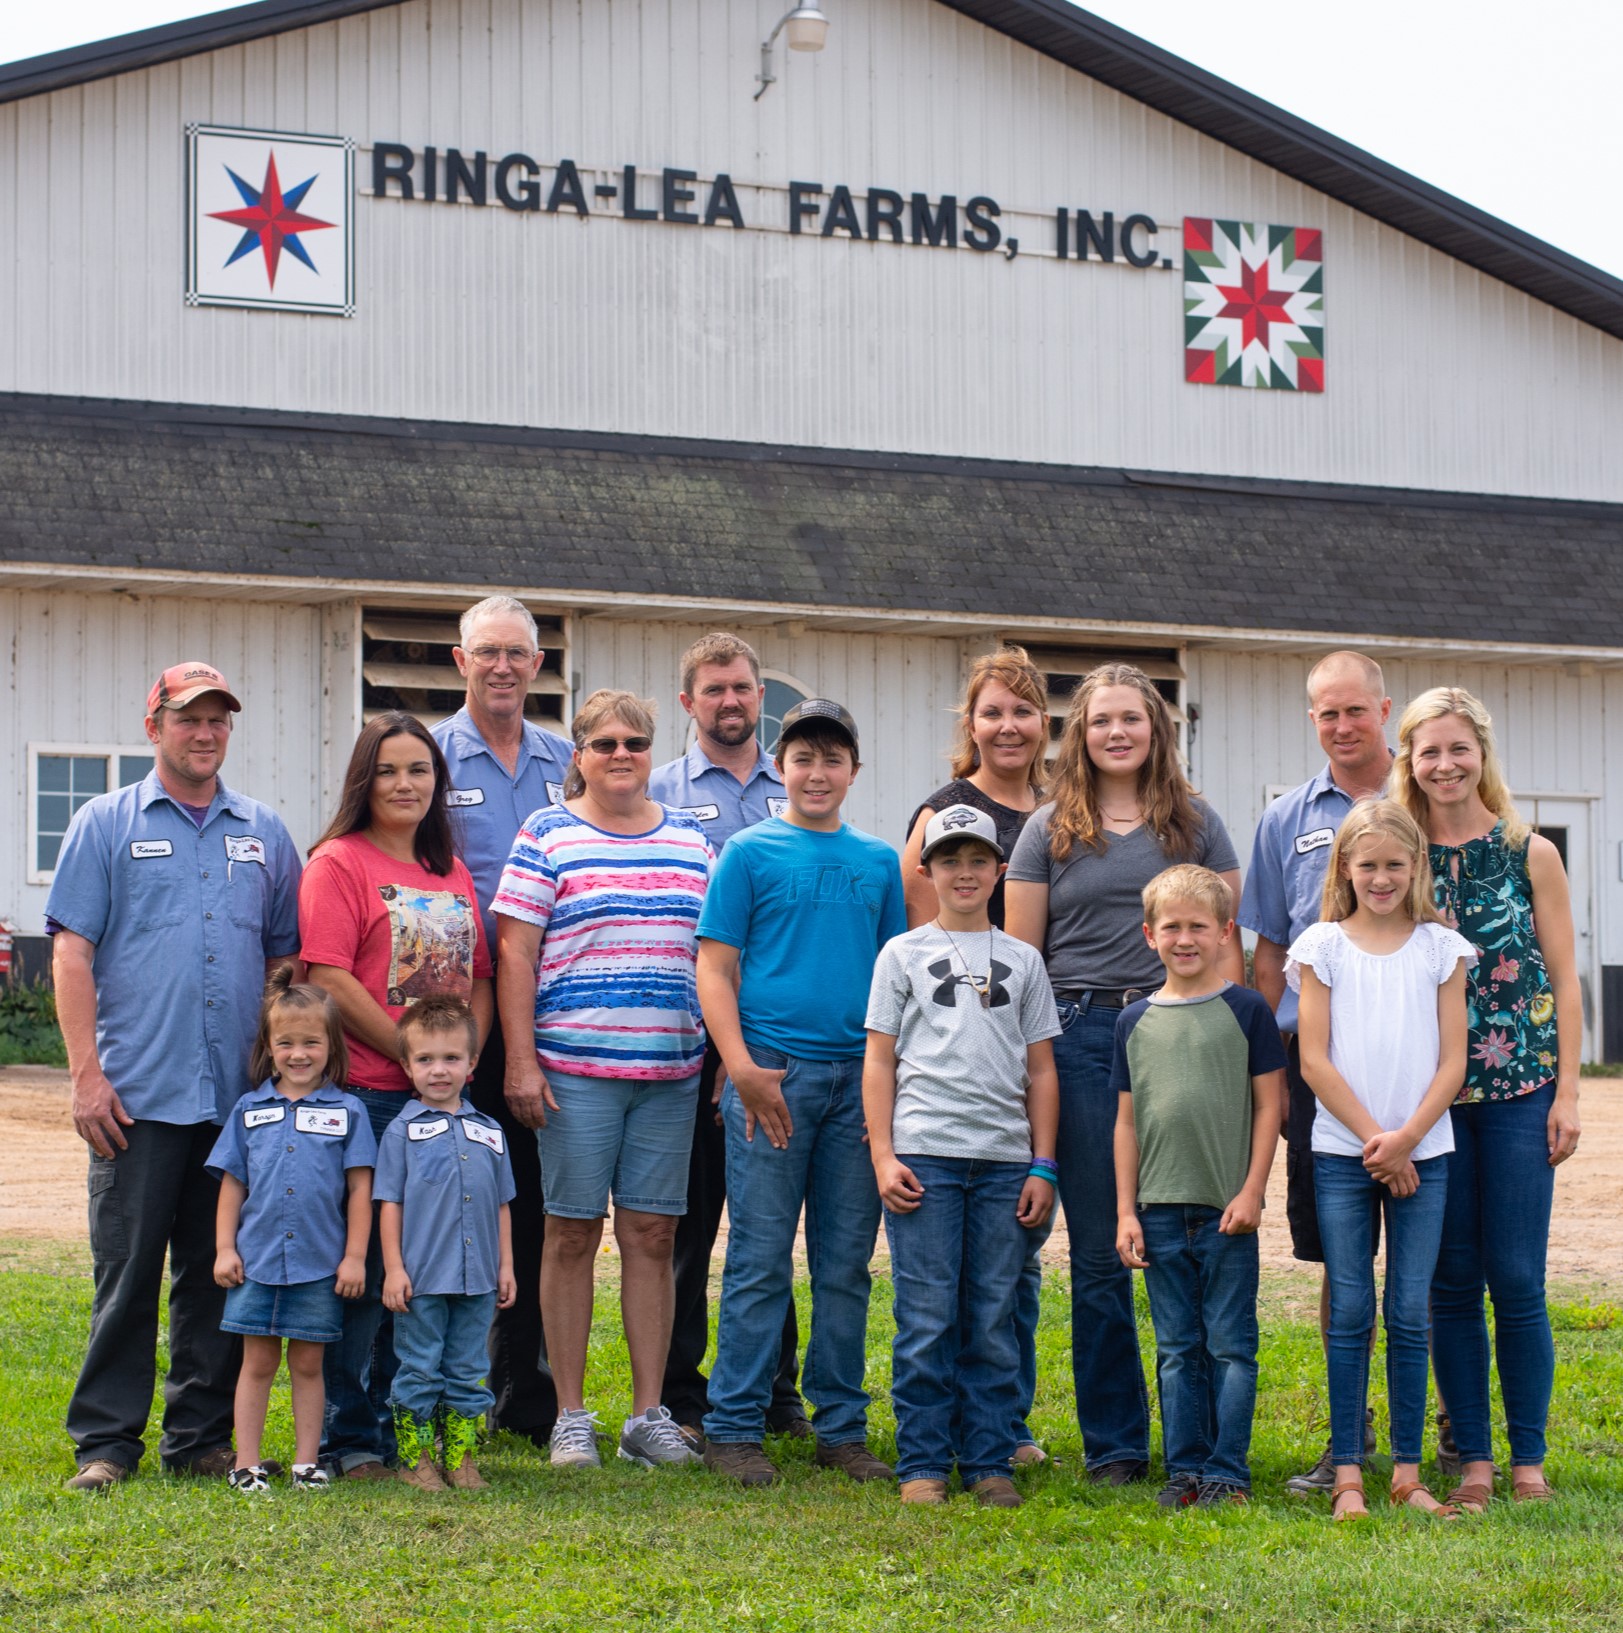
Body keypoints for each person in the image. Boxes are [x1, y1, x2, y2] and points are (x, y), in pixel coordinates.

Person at [49, 661, 302, 1490]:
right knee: (127, 1276)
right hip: (136, 1095)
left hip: (235, 1101)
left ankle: (199, 1437)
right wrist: (86, 1076)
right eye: (189, 717)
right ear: (153, 725)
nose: (205, 732)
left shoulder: (263, 831)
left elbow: (284, 962)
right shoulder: (104, 823)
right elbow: (72, 952)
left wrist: (276, 1076)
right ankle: (106, 1443)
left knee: (216, 1270)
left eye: (218, 718)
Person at [1006, 662, 1241, 1484]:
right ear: (1079, 732)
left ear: (1155, 729)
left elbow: (1227, 947)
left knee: (1193, 1241)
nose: (1115, 732)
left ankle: (1203, 1440)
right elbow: (1023, 962)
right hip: (1078, 1035)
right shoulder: (1047, 829)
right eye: (1100, 719)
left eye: (1130, 718)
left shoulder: (1197, 825)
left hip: (1179, 1035)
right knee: (1102, 1254)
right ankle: (1113, 1444)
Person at [493, 689, 710, 1473]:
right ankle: (570, 1416)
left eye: (635, 742)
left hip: (669, 1071)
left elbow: (716, 955)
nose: (621, 754)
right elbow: (515, 952)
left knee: (653, 1236)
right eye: (604, 742)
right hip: (574, 1071)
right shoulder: (547, 832)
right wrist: (521, 1061)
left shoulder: (690, 839)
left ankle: (648, 1415)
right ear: (578, 754)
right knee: (571, 1233)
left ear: (653, 752)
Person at [697, 699, 906, 1487]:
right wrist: (741, 1065)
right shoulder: (748, 852)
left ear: (854, 771)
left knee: (845, 1262)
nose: (817, 773)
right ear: (778, 768)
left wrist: (885, 1086)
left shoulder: (878, 862)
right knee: (758, 1258)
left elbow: (891, 978)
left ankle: (840, 1427)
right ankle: (733, 1425)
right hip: (770, 1077)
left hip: (856, 1080)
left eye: (832, 759)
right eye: (802, 758)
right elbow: (715, 965)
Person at [1391, 688, 1583, 1509]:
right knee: (1450, 1280)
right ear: (1409, 761)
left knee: (1516, 1277)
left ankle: (1527, 1459)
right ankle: (1472, 1458)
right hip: (1427, 1097)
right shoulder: (1396, 855)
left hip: (1519, 1089)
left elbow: (1564, 978)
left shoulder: (1528, 852)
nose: (1444, 765)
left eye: (1456, 749)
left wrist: (1567, 1092)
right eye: (1427, 751)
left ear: (1481, 753)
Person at [300, 712, 494, 1479]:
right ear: (363, 780)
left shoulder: (451, 869)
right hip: (371, 1098)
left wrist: (461, 1060)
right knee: (367, 1274)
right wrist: (411, 1059)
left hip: (445, 1103)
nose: (404, 783)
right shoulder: (337, 862)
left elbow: (479, 974)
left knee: (427, 1266)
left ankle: (418, 1429)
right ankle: (356, 1437)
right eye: (387, 769)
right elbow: (327, 974)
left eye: (419, 769)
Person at [864, 805, 1060, 1509]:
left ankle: (987, 1458)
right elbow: (879, 1059)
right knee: (926, 1315)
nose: (965, 872)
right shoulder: (902, 954)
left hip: (1004, 1162)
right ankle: (921, 1461)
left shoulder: (1023, 960)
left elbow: (1041, 1069)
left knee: (992, 1315)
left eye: (979, 860)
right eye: (950, 860)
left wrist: (1042, 1163)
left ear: (1000, 870)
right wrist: (883, 1154)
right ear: (927, 870)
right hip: (926, 1157)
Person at [1287, 800, 1476, 1520]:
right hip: (1344, 1153)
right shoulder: (1322, 947)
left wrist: (1406, 1140)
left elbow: (1453, 1061)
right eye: (1367, 864)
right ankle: (1347, 1474)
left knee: (1408, 1310)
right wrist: (1377, 1141)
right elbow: (1313, 1058)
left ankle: (1405, 1471)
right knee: (1350, 1310)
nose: (1381, 877)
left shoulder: (1439, 949)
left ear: (1416, 865)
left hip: (1424, 1154)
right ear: (1344, 867)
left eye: (1395, 864)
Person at [1238, 650, 1394, 1492]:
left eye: (1354, 709)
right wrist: (1267, 1062)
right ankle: (1348, 1434)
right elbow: (1268, 950)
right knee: (1343, 1257)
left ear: (1383, 709)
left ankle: (1445, 1430)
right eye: (1326, 713)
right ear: (1311, 719)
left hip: (1412, 1060)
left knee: (1436, 1254)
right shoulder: (1284, 818)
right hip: (1314, 1063)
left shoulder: (1423, 797)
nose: (1341, 725)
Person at [647, 633, 806, 1443]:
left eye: (741, 687)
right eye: (713, 690)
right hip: (688, 1035)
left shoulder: (797, 786)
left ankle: (777, 1390)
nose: (730, 701)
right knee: (686, 1220)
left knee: (767, 1223)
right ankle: (681, 1392)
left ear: (759, 697)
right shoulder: (657, 791)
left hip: (774, 1036)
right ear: (689, 702)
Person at [898, 645, 1052, 1464]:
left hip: (1031, 1044)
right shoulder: (943, 812)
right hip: (953, 1061)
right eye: (992, 711)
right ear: (971, 722)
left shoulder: (1061, 812)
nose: (1007, 725)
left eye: (1022, 710)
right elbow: (920, 939)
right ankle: (944, 1426)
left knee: (1010, 1266)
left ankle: (1002, 1423)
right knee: (939, 1283)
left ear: (1043, 723)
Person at [432, 595, 572, 1451]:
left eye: (517, 652)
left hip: (558, 1010)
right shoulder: (429, 756)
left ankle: (525, 1390)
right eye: (487, 651)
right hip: (461, 1020)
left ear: (537, 664)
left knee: (534, 1205)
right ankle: (446, 1385)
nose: (502, 666)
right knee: (458, 1200)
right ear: (461, 660)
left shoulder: (568, 761)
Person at [1113, 865, 1285, 1510]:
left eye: (1198, 926)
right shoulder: (1133, 1020)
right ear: (1149, 934)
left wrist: (1252, 1190)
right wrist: (1125, 1211)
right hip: (1157, 1209)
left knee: (1231, 1346)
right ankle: (1185, 1470)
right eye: (1171, 927)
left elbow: (1269, 1106)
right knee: (1176, 1348)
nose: (1184, 939)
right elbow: (1126, 1122)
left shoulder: (1247, 1010)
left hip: (1225, 1210)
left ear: (1225, 932)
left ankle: (1227, 1472)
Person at [208, 972, 376, 1493]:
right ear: (268, 1046)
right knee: (257, 1363)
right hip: (256, 1263)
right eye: (285, 1043)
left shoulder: (349, 1112)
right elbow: (232, 1185)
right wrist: (224, 1248)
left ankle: (307, 1464)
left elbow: (360, 1190)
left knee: (308, 1363)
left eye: (310, 1043)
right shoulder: (248, 1110)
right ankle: (247, 1464)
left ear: (331, 1047)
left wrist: (354, 1257)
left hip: (319, 1265)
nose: (298, 1054)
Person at [377, 998, 517, 1491]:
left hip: (479, 1277)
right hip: (422, 1278)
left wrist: (506, 1267)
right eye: (425, 1059)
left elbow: (502, 1204)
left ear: (472, 1063)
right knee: (419, 1369)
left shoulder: (490, 1131)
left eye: (451, 1058)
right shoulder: (401, 1132)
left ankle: (459, 1457)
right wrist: (394, 1269)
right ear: (407, 1066)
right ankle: (414, 1459)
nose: (439, 1070)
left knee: (467, 1369)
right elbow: (389, 1203)